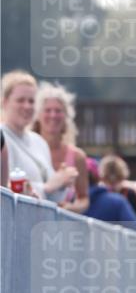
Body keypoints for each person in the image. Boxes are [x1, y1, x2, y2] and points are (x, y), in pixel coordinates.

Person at [0, 71, 77, 201]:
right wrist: (46, 187)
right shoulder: (2, 138)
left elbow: (53, 196)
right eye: (20, 100)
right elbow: (4, 189)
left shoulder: (39, 141)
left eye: (31, 101)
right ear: (4, 102)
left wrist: (63, 182)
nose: (27, 106)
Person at [33, 81, 89, 214]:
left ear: (66, 117)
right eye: (48, 110)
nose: (53, 115)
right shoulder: (27, 149)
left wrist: (71, 208)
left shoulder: (77, 156)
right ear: (38, 115)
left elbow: (84, 198)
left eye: (58, 111)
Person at [86, 154, 136, 235]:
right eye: (108, 180)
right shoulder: (117, 199)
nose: (112, 185)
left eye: (117, 179)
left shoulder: (129, 193)